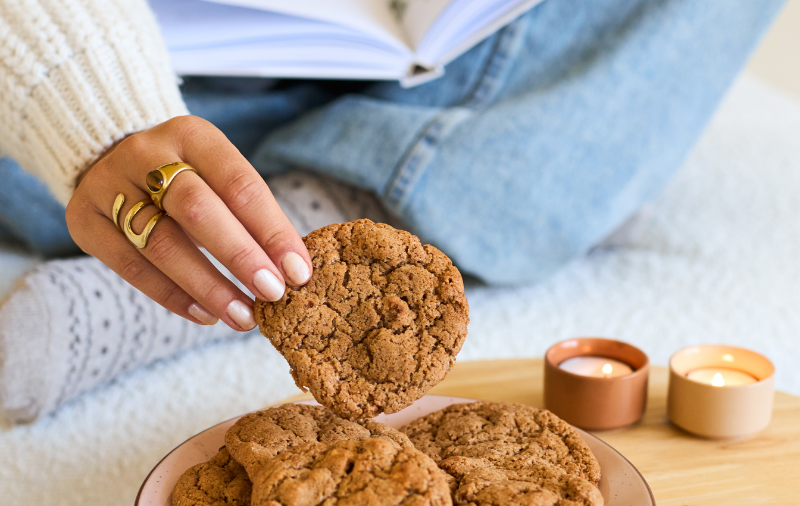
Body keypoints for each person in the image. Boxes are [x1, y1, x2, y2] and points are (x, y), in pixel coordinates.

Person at [0, 0, 785, 419]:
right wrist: (98, 107)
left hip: (439, 49)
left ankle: (364, 196)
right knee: (33, 173)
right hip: (172, 62)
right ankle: (524, 175)